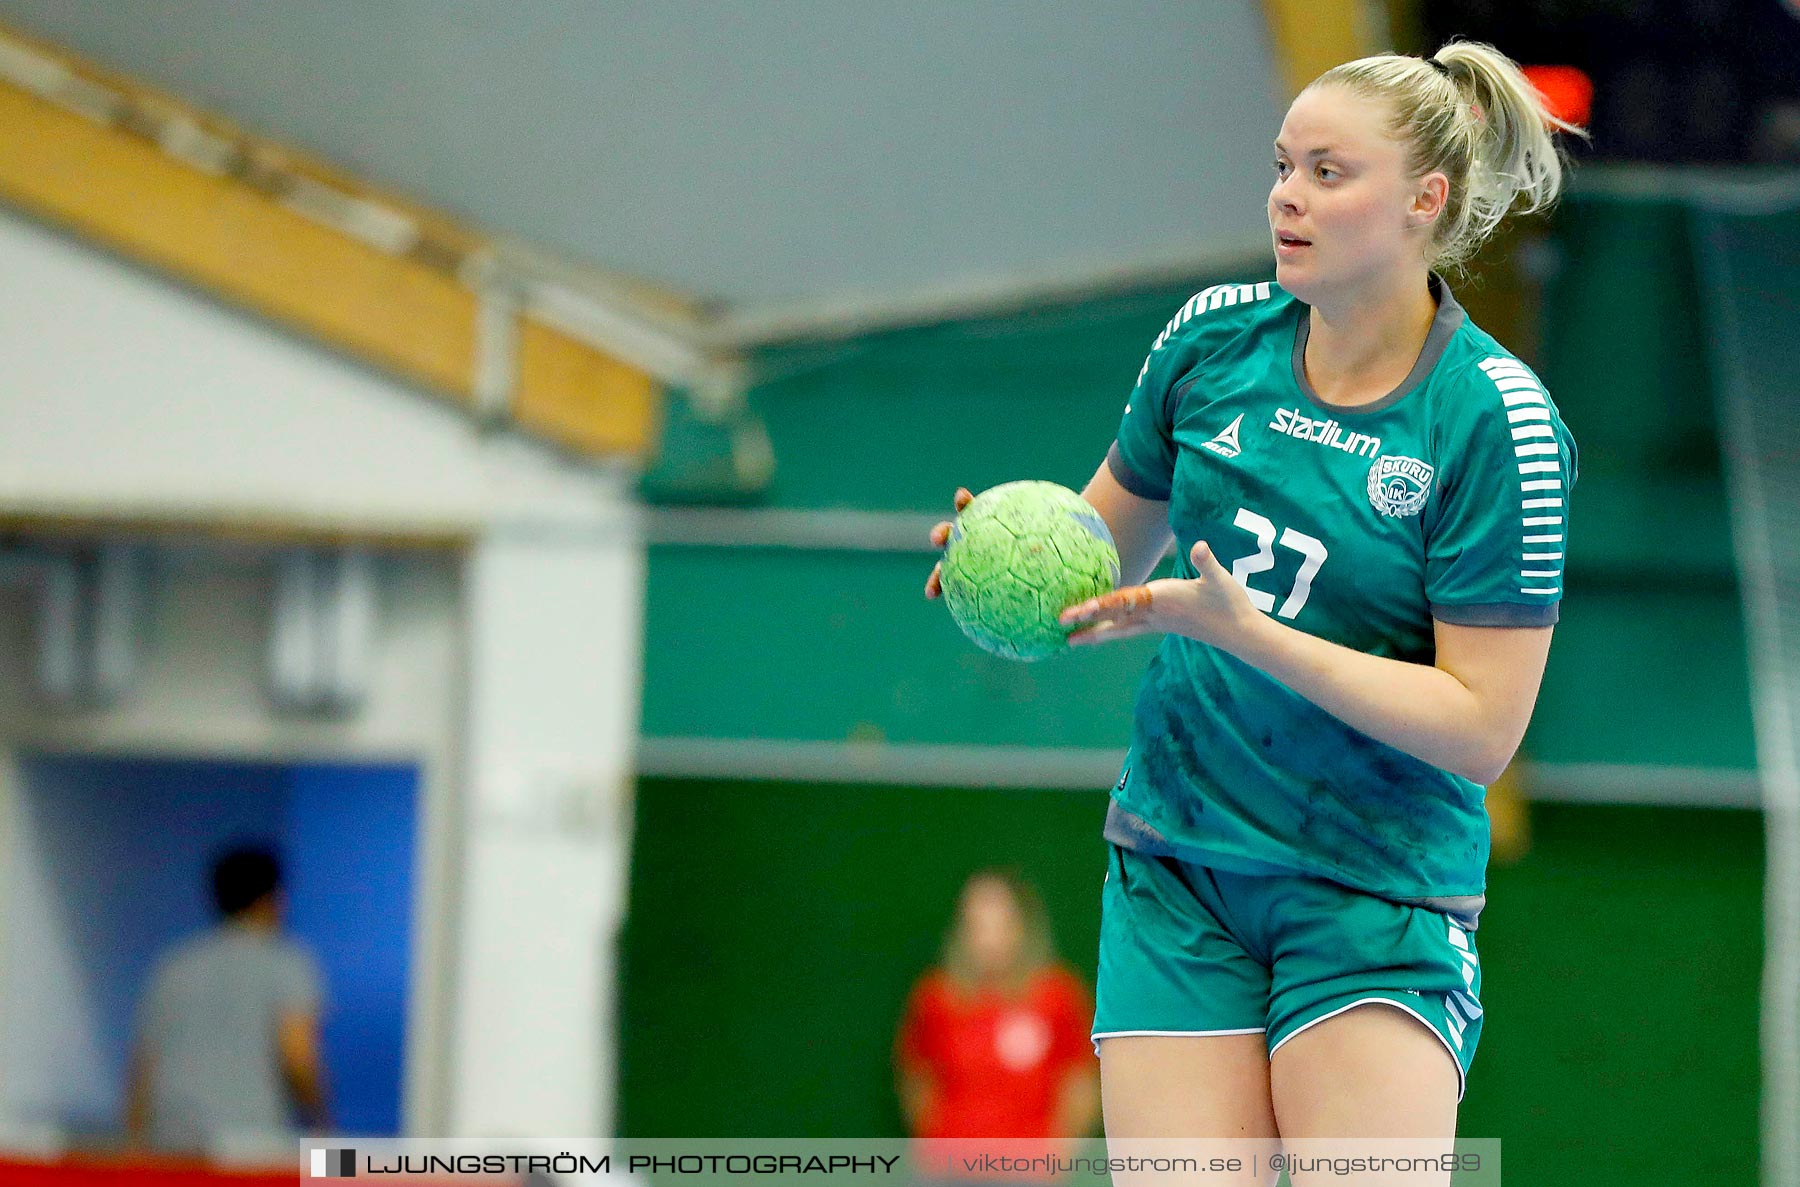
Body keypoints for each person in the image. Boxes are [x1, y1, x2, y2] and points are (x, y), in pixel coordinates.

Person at [926, 41, 1581, 1185]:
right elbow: (1104, 565)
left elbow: (1482, 727)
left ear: (1425, 200)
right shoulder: (1211, 339)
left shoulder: (1493, 422)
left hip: (1373, 883)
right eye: (1284, 165)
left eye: (1330, 172)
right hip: (1180, 862)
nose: (1287, 194)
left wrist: (1247, 631)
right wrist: (1014, 559)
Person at [126, 844, 329, 1153]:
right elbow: (298, 1055)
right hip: (250, 1141)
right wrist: (322, 1124)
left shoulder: (175, 965)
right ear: (272, 897)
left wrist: (133, 1147)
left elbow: (144, 1066)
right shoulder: (286, 963)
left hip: (173, 1140)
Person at [894, 871, 1100, 1155]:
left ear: (1022, 927)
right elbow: (916, 1078)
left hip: (1027, 1167)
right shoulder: (937, 997)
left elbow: (1080, 1082)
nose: (989, 939)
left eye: (1000, 924)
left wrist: (1057, 1151)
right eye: (978, 926)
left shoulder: (1056, 995)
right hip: (950, 1165)